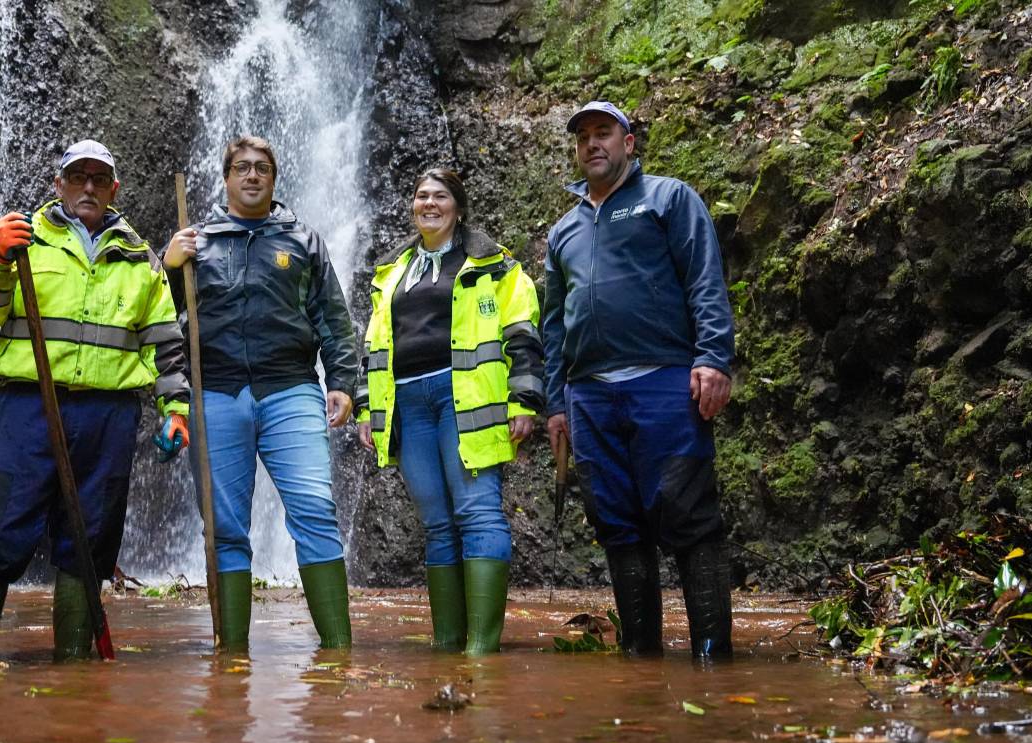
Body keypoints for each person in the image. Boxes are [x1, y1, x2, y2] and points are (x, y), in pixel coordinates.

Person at [0, 139, 191, 662]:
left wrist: (175, 411)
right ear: (58, 184)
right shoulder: (21, 241)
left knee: (91, 542)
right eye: (77, 177)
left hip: (109, 416)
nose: (88, 187)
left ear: (113, 189)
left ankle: (73, 673)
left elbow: (165, 346)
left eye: (98, 179)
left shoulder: (141, 259)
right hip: (29, 408)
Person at [541, 101, 737, 658]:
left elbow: (704, 277)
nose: (592, 144)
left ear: (630, 142)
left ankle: (711, 658)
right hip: (590, 395)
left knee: (689, 514)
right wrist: (557, 402)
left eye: (604, 133)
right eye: (583, 137)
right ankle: (640, 659)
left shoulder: (669, 199)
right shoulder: (564, 231)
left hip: (665, 380)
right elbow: (553, 324)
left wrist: (714, 359)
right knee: (616, 522)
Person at [163, 135, 357, 650]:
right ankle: (232, 658)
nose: (252, 176)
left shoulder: (303, 240)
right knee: (224, 527)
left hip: (290, 388)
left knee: (315, 509)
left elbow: (333, 318)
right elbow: (159, 323)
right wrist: (166, 267)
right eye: (242, 168)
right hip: (217, 393)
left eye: (262, 168)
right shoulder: (196, 242)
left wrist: (341, 381)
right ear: (226, 177)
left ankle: (338, 652)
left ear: (274, 178)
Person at [354, 169, 544, 655]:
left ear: (458, 206)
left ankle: (481, 648)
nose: (429, 204)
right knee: (437, 523)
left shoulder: (496, 267)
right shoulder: (391, 272)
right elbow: (373, 343)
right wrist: (365, 409)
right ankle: (447, 642)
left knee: (477, 513)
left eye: (440, 196)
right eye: (421, 196)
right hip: (408, 403)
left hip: (468, 399)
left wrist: (523, 400)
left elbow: (522, 335)